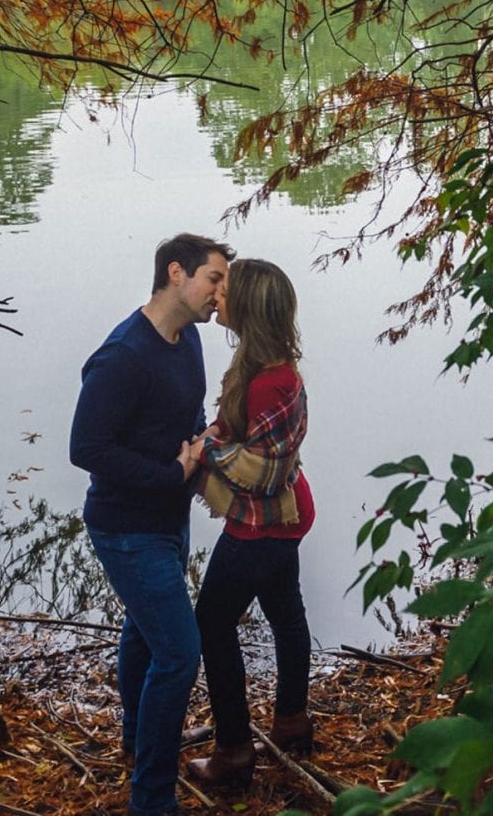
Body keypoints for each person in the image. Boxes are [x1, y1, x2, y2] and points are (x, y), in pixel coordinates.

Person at [69, 233, 233, 816]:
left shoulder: (187, 339)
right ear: (176, 274)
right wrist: (172, 470)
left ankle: (137, 742)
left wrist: (203, 442)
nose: (222, 293)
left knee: (144, 632)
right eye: (214, 279)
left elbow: (183, 413)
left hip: (169, 517)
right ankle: (152, 799)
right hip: (126, 528)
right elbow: (86, 448)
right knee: (179, 653)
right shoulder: (123, 356)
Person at [185, 258, 316, 791]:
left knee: (211, 622)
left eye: (225, 289)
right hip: (283, 517)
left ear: (250, 308)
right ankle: (291, 723)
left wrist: (205, 447)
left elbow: (263, 472)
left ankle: (234, 750)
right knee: (286, 612)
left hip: (265, 521)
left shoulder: (270, 382)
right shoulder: (260, 365)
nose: (216, 294)